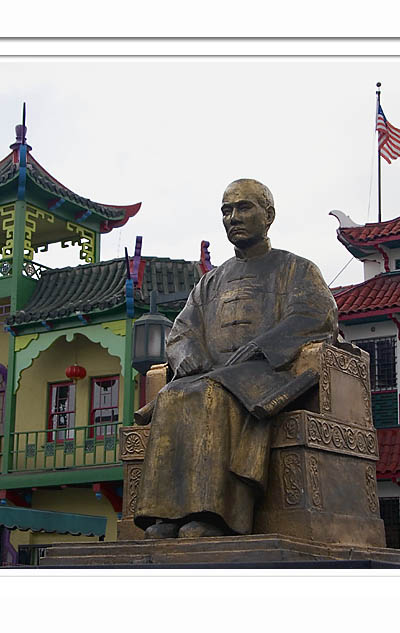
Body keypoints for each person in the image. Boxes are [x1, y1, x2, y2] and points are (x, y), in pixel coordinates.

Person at [133, 178, 338, 539]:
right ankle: (167, 513)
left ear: (269, 215)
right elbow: (182, 330)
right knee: (172, 396)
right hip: (212, 374)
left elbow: (317, 314)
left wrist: (262, 346)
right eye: (226, 210)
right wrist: (189, 355)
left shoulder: (297, 269)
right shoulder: (211, 282)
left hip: (270, 372)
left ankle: (217, 516)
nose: (233, 218)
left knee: (212, 395)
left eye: (243, 208)